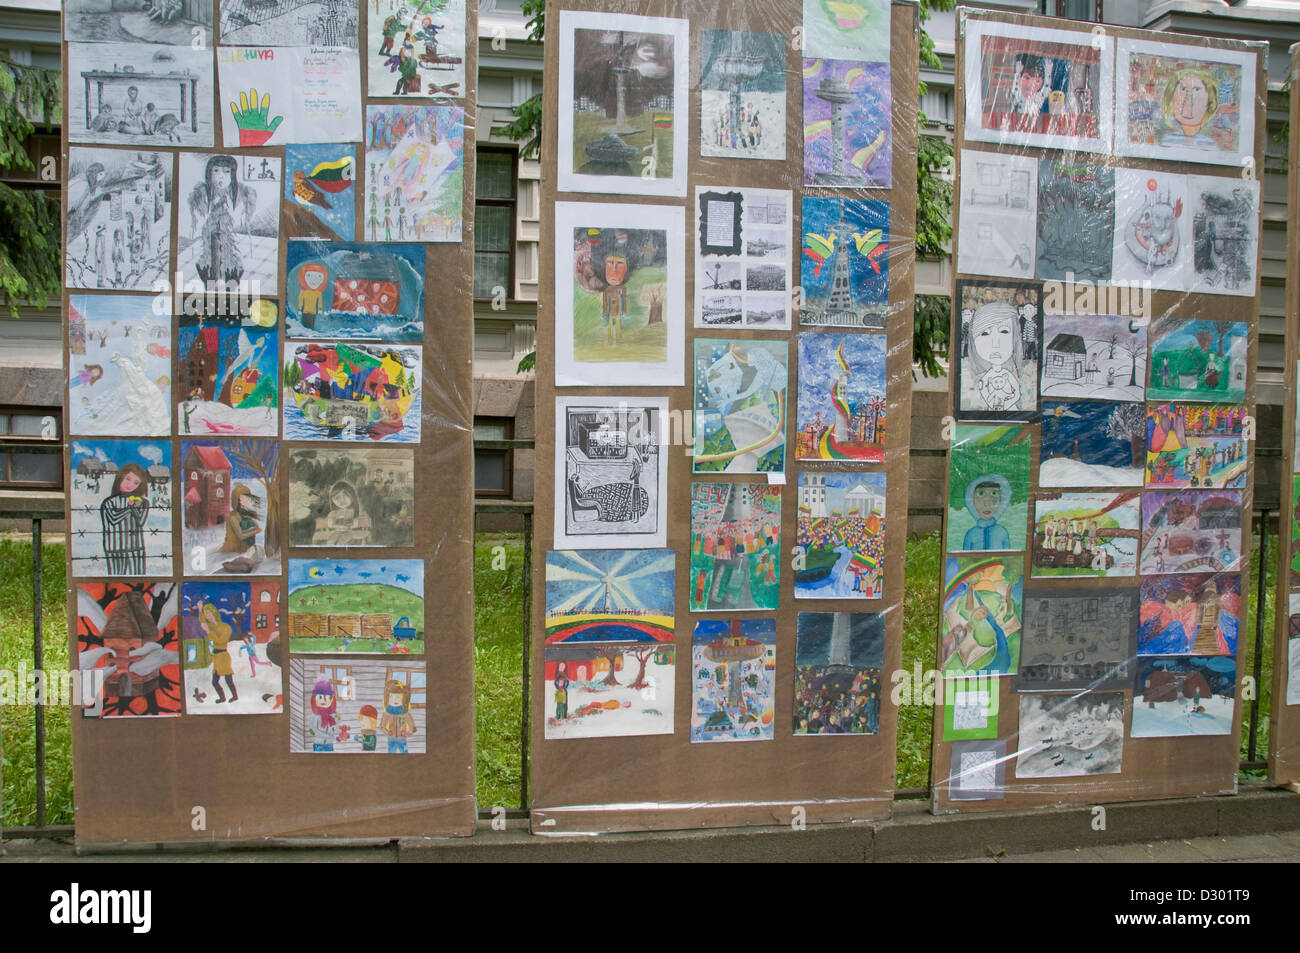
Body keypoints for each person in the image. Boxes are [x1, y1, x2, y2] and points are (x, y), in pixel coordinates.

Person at [188, 154, 254, 285]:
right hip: (209, 242)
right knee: (210, 261)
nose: (220, 176)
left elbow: (241, 220)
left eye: (226, 172)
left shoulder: (241, 194)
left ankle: (227, 278)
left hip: (230, 243)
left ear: (232, 175)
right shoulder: (201, 194)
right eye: (216, 171)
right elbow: (197, 219)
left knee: (229, 260)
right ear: (209, 173)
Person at [964, 300, 1028, 412]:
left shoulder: (1008, 375)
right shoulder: (985, 377)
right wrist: (993, 404)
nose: (995, 343)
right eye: (985, 333)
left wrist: (1006, 404)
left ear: (1015, 336)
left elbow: (1017, 393)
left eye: (1004, 331)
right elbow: (983, 390)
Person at [100, 462, 151, 574]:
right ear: (120, 477)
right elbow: (113, 519)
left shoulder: (143, 503)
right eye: (128, 479)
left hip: (136, 547)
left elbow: (140, 522)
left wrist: (134, 508)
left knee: (139, 578)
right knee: (116, 577)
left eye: (136, 482)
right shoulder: (109, 502)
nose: (130, 484)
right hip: (115, 548)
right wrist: (129, 508)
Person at [961, 474, 1013, 551]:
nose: (987, 503)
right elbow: (963, 560)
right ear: (971, 499)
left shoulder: (1002, 532)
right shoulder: (971, 534)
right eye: (981, 494)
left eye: (994, 493)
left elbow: (1008, 559)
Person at [200, 602, 238, 703]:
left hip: (223, 656)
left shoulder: (225, 627)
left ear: (214, 613)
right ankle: (222, 698)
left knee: (228, 680)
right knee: (214, 681)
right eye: (206, 614)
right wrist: (200, 609)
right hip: (216, 657)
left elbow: (220, 640)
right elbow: (203, 623)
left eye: (209, 613)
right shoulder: (211, 627)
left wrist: (208, 631)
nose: (208, 615)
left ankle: (235, 696)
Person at [379, 679, 417, 753]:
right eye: (391, 697)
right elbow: (382, 726)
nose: (395, 700)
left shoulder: (405, 713)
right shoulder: (387, 713)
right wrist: (387, 732)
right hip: (391, 739)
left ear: (404, 698)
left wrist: (407, 733)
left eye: (398, 697)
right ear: (387, 698)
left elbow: (412, 727)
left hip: (402, 739)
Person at [308, 678, 338, 752]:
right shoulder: (315, 716)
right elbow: (314, 730)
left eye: (327, 698)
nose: (324, 701)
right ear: (315, 699)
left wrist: (337, 719)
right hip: (319, 744)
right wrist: (328, 736)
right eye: (320, 697)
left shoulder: (331, 716)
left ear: (331, 700)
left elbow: (333, 729)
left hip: (329, 745)